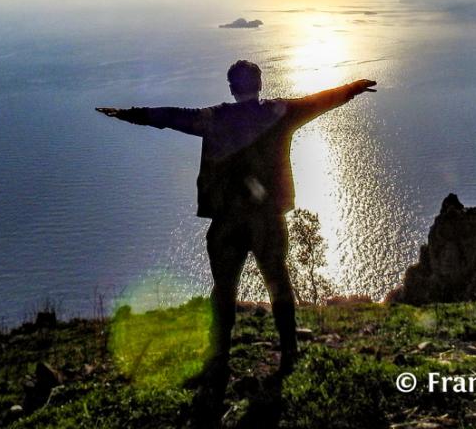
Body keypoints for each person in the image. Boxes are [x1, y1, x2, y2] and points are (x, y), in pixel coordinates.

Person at [96, 60, 376, 390]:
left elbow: (169, 116)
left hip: (227, 222)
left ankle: (218, 361)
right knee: (278, 283)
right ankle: (289, 354)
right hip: (268, 220)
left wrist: (127, 113)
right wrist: (353, 88)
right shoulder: (280, 113)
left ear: (231, 87)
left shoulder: (214, 119)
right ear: (260, 83)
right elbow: (319, 101)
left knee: (224, 289)